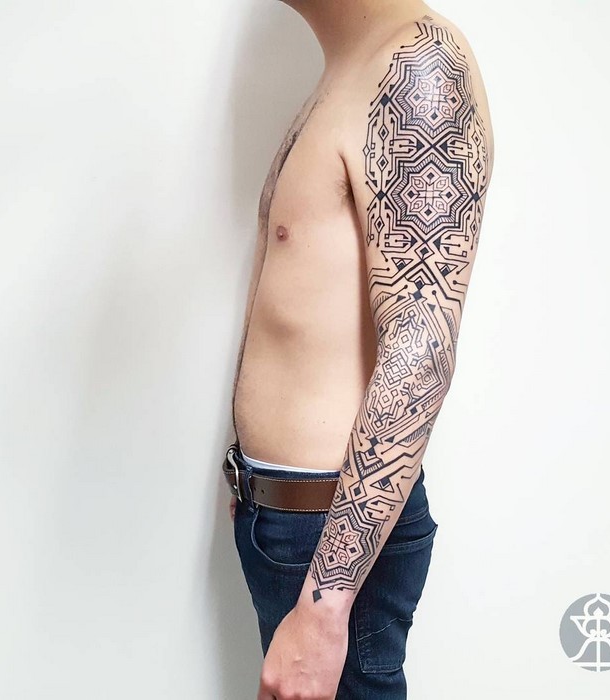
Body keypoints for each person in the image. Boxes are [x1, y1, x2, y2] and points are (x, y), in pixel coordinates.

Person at [222, 0, 494, 697]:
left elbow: (420, 347)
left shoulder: (418, 68)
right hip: (290, 522)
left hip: (329, 541)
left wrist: (324, 605)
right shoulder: (345, 74)